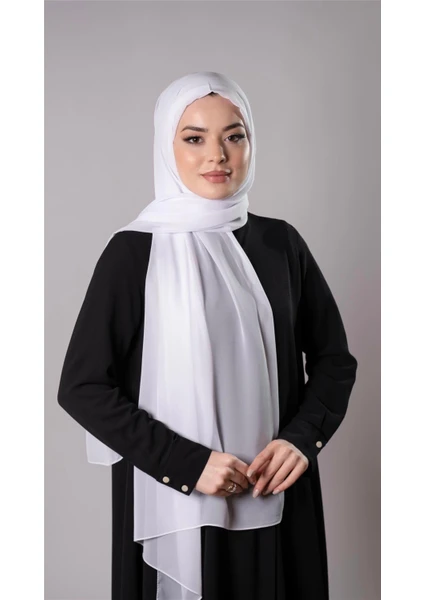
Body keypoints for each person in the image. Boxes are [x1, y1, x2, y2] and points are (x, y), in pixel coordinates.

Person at [57, 71, 358, 600]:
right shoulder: (134, 252)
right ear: (166, 146)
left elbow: (335, 360)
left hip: (276, 490)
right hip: (175, 498)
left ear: (250, 143)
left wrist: (301, 439)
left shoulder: (281, 244)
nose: (217, 155)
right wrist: (187, 465)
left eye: (234, 136)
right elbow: (83, 387)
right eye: (194, 138)